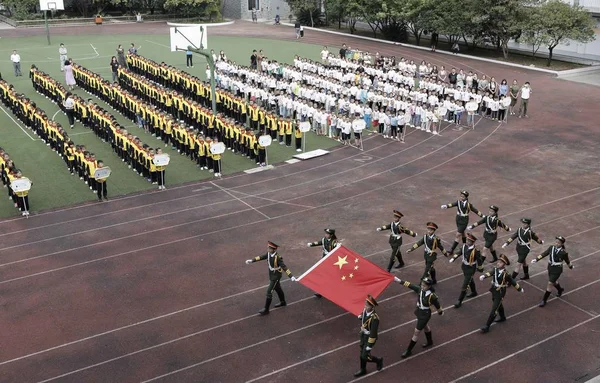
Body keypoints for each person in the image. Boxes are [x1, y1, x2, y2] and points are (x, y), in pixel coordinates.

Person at [393, 276, 443, 357]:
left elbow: (437, 305)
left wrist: (440, 312)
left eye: (424, 286)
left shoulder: (432, 296)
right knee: (425, 326)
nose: (422, 287)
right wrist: (398, 280)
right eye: (422, 285)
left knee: (416, 331)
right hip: (419, 311)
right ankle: (430, 341)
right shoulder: (420, 290)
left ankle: (408, 350)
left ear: (429, 286)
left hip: (425, 314)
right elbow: (409, 285)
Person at [245, 241, 296, 315]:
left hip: (276, 276)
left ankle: (266, 309)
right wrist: (252, 260)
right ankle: (283, 302)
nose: (268, 249)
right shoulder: (269, 254)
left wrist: (291, 276)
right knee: (277, 288)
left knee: (269, 292)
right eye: (268, 247)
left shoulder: (278, 258)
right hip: (271, 274)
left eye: (270, 248)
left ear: (274, 250)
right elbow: (261, 257)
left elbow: (284, 267)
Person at [479, 254, 524, 333]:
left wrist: (519, 289)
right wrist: (484, 276)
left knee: (494, 308)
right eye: (498, 261)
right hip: (494, 290)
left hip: (500, 292)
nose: (498, 263)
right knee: (497, 303)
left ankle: (487, 326)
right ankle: (503, 317)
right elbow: (490, 273)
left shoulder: (506, 274)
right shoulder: (495, 269)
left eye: (500, 262)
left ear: (504, 264)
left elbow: (512, 282)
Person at [531, 236, 573, 307]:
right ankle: (560, 289)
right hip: (550, 268)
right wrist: (536, 259)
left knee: (550, 283)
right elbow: (544, 254)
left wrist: (570, 266)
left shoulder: (563, 253)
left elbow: (567, 261)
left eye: (559, 243)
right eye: (556, 242)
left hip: (557, 270)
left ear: (562, 244)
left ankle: (544, 300)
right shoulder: (551, 248)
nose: (557, 244)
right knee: (554, 282)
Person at [441, 190, 483, 254]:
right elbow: (452, 204)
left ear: (466, 197)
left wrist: (482, 216)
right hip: (458, 219)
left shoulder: (468, 205)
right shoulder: (458, 202)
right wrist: (446, 206)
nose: (461, 198)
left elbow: (475, 211)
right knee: (462, 233)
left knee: (458, 235)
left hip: (464, 220)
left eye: (463, 197)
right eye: (461, 196)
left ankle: (452, 250)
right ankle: (464, 245)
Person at [449, 233, 484, 308]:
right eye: (468, 240)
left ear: (473, 242)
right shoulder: (464, 246)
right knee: (469, 280)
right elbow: (459, 252)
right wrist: (453, 258)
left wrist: (480, 268)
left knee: (465, 284)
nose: (468, 242)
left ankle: (459, 301)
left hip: (471, 268)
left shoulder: (476, 251)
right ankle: (474, 292)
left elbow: (479, 260)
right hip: (464, 266)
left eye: (470, 241)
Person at [353, 295, 384, 377]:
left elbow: (373, 333)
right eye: (365, 305)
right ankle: (363, 369)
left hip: (369, 337)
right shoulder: (365, 311)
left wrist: (369, 345)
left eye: (367, 305)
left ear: (372, 306)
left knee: (364, 355)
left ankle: (378, 360)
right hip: (363, 336)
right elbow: (364, 318)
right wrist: (360, 317)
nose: (365, 306)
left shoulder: (375, 318)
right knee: (362, 353)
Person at [307, 228, 338, 298]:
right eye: (326, 233)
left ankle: (332, 289)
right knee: (323, 275)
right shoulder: (324, 239)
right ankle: (321, 291)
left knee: (330, 276)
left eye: (327, 234)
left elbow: (338, 251)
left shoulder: (334, 242)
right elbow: (319, 242)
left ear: (331, 235)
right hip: (324, 259)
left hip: (331, 261)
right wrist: (311, 244)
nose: (326, 235)